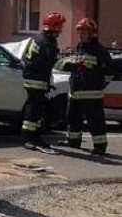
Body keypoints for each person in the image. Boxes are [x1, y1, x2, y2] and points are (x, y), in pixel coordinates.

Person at [57, 18, 111, 155]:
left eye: (84, 33)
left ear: (91, 34)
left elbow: (110, 72)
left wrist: (99, 84)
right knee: (73, 119)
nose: (81, 35)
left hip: (92, 95)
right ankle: (73, 142)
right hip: (75, 93)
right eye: (79, 33)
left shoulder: (99, 51)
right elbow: (61, 65)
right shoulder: (77, 49)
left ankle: (99, 147)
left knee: (95, 121)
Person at [20, 12, 65, 150]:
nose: (61, 30)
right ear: (54, 27)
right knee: (34, 110)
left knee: (35, 109)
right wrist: (68, 64)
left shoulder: (38, 38)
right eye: (60, 26)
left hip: (32, 79)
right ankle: (30, 138)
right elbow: (52, 61)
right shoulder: (48, 42)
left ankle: (34, 137)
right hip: (37, 80)